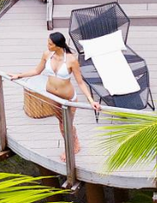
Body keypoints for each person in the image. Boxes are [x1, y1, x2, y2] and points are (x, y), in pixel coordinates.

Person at [9, 32, 100, 161]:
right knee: (62, 124)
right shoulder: (47, 54)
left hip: (68, 99)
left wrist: (91, 101)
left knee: (65, 126)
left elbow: (80, 82)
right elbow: (36, 71)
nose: (48, 46)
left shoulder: (71, 60)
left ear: (58, 45)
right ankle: (74, 142)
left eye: (50, 44)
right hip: (52, 97)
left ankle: (71, 148)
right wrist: (19, 75)